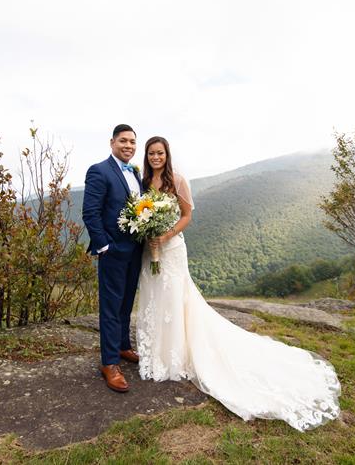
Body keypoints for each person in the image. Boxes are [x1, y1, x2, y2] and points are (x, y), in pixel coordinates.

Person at [136, 136, 341, 431]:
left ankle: (176, 355)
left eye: (160, 153)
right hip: (149, 251)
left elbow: (187, 215)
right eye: (152, 153)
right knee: (156, 297)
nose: (156, 157)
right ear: (147, 156)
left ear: (167, 155)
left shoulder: (177, 181)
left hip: (171, 248)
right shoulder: (144, 183)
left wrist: (165, 236)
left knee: (175, 298)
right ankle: (156, 351)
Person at [82, 124, 143, 393]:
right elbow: (90, 213)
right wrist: (104, 246)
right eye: (123, 141)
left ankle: (122, 346)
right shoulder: (99, 170)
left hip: (136, 249)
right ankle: (109, 363)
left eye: (132, 142)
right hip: (113, 251)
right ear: (112, 142)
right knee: (110, 306)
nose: (128, 146)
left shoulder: (136, 173)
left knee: (127, 301)